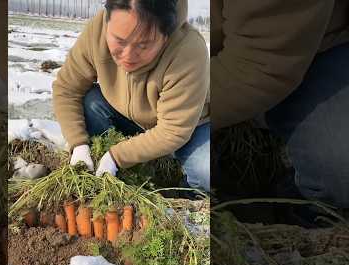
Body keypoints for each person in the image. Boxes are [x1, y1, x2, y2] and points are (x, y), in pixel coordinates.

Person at [53, 0, 210, 191]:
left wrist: (117, 156)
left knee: (206, 173)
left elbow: (173, 130)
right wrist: (78, 144)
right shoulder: (97, 29)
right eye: (119, 41)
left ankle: (178, 191)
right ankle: (107, 165)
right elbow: (67, 88)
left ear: (165, 37)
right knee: (91, 102)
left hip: (189, 127)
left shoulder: (188, 49)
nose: (127, 55)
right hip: (128, 117)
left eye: (143, 46)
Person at [211, 0, 349, 211]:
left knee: (340, 166)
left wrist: (162, 112)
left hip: (314, 43)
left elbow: (254, 66)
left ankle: (302, 214)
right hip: (189, 39)